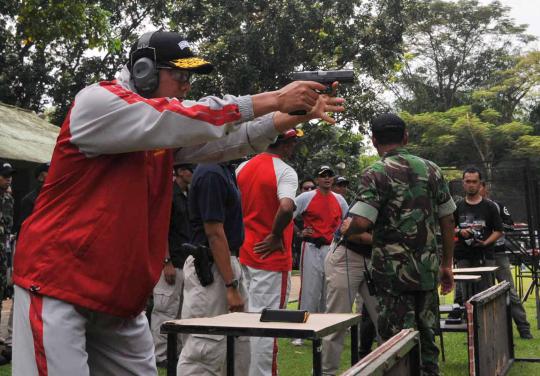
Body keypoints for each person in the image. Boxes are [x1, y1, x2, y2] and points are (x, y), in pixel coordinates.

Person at [12, 30, 345, 376]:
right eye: (180, 75)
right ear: (144, 71)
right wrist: (276, 97)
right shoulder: (98, 102)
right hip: (57, 282)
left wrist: (295, 114)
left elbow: (229, 140)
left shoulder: (158, 128)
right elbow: (183, 118)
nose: (187, 86)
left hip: (117, 296)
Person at [343, 113, 455, 376]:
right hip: (427, 272)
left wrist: (348, 231)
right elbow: (448, 219)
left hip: (392, 277)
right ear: (405, 137)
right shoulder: (431, 169)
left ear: (373, 141)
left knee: (397, 341)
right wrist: (447, 264)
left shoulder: (375, 173)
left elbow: (361, 221)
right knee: (427, 336)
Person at [236, 128, 301, 376]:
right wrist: (275, 234)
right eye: (292, 142)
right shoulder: (284, 171)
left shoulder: (243, 168)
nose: (293, 147)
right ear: (284, 144)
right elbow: (286, 206)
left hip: (246, 250)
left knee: (248, 319)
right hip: (270, 256)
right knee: (267, 324)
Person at [178, 162, 249, 375]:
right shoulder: (211, 173)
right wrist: (230, 285)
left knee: (237, 344)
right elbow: (214, 233)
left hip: (225, 262)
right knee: (205, 347)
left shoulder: (225, 170)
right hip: (211, 267)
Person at [292, 165, 348, 346]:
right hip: (311, 247)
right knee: (309, 290)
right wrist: (300, 232)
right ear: (317, 179)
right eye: (323, 175)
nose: (327, 178)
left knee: (328, 290)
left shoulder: (339, 199)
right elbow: (286, 214)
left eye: (330, 175)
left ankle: (325, 331)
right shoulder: (306, 197)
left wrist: (342, 238)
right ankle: (300, 332)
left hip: (331, 248)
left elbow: (349, 220)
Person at [322, 215, 379, 376]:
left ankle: (391, 370)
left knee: (385, 321)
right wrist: (387, 240)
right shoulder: (368, 196)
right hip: (347, 255)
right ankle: (326, 372)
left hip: (373, 260)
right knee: (336, 322)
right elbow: (350, 232)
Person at [152, 163, 195, 368]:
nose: (192, 174)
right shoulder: (169, 195)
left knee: (180, 311)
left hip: (184, 260)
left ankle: (174, 353)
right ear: (180, 171)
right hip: (171, 261)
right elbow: (161, 230)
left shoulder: (188, 195)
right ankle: (160, 355)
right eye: (189, 170)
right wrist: (165, 261)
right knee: (164, 309)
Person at [479, 182, 533, 339]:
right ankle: (486, 331)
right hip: (479, 255)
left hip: (498, 254)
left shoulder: (497, 206)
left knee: (510, 291)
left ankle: (524, 328)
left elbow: (510, 226)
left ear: (485, 188)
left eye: (479, 185)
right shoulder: (467, 207)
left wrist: (494, 225)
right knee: (483, 294)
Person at [454, 167, 502, 301]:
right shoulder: (457, 206)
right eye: (468, 181)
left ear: (480, 183)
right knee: (466, 297)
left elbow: (499, 230)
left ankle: (486, 323)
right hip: (463, 255)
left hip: (485, 255)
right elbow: (449, 228)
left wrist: (486, 242)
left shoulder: (490, 206)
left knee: (487, 295)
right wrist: (459, 231)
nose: (471, 185)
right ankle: (469, 321)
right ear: (463, 183)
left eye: (474, 181)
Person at [0, 162, 15, 366]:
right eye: (4, 175)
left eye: (10, 176)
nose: (9, 178)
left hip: (3, 256)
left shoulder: (9, 199)